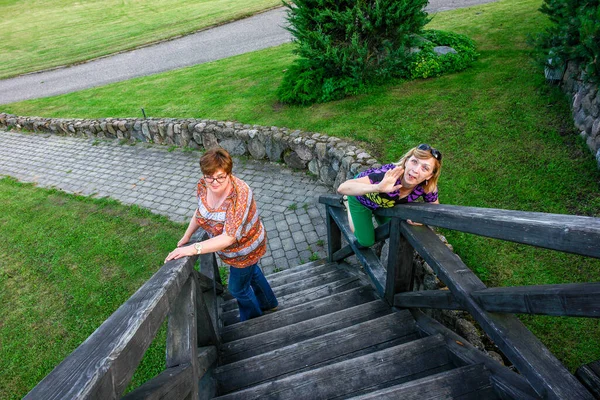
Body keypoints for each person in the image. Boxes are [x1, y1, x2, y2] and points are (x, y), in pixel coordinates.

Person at [165, 148, 278, 322]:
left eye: (220, 177)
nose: (214, 182)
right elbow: (200, 210)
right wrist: (187, 235)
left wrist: (192, 249)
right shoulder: (203, 185)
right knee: (252, 272)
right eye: (209, 176)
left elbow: (229, 237)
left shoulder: (238, 195)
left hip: (246, 249)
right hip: (233, 251)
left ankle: (254, 320)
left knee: (238, 289)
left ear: (229, 174)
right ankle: (269, 302)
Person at [337, 143, 442, 247]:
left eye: (425, 168)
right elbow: (342, 188)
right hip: (360, 197)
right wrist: (378, 188)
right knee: (366, 242)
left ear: (430, 175)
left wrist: (420, 218)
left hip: (383, 203)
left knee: (393, 229)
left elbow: (434, 209)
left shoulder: (427, 188)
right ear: (406, 161)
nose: (415, 170)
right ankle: (348, 204)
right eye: (414, 162)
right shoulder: (386, 174)